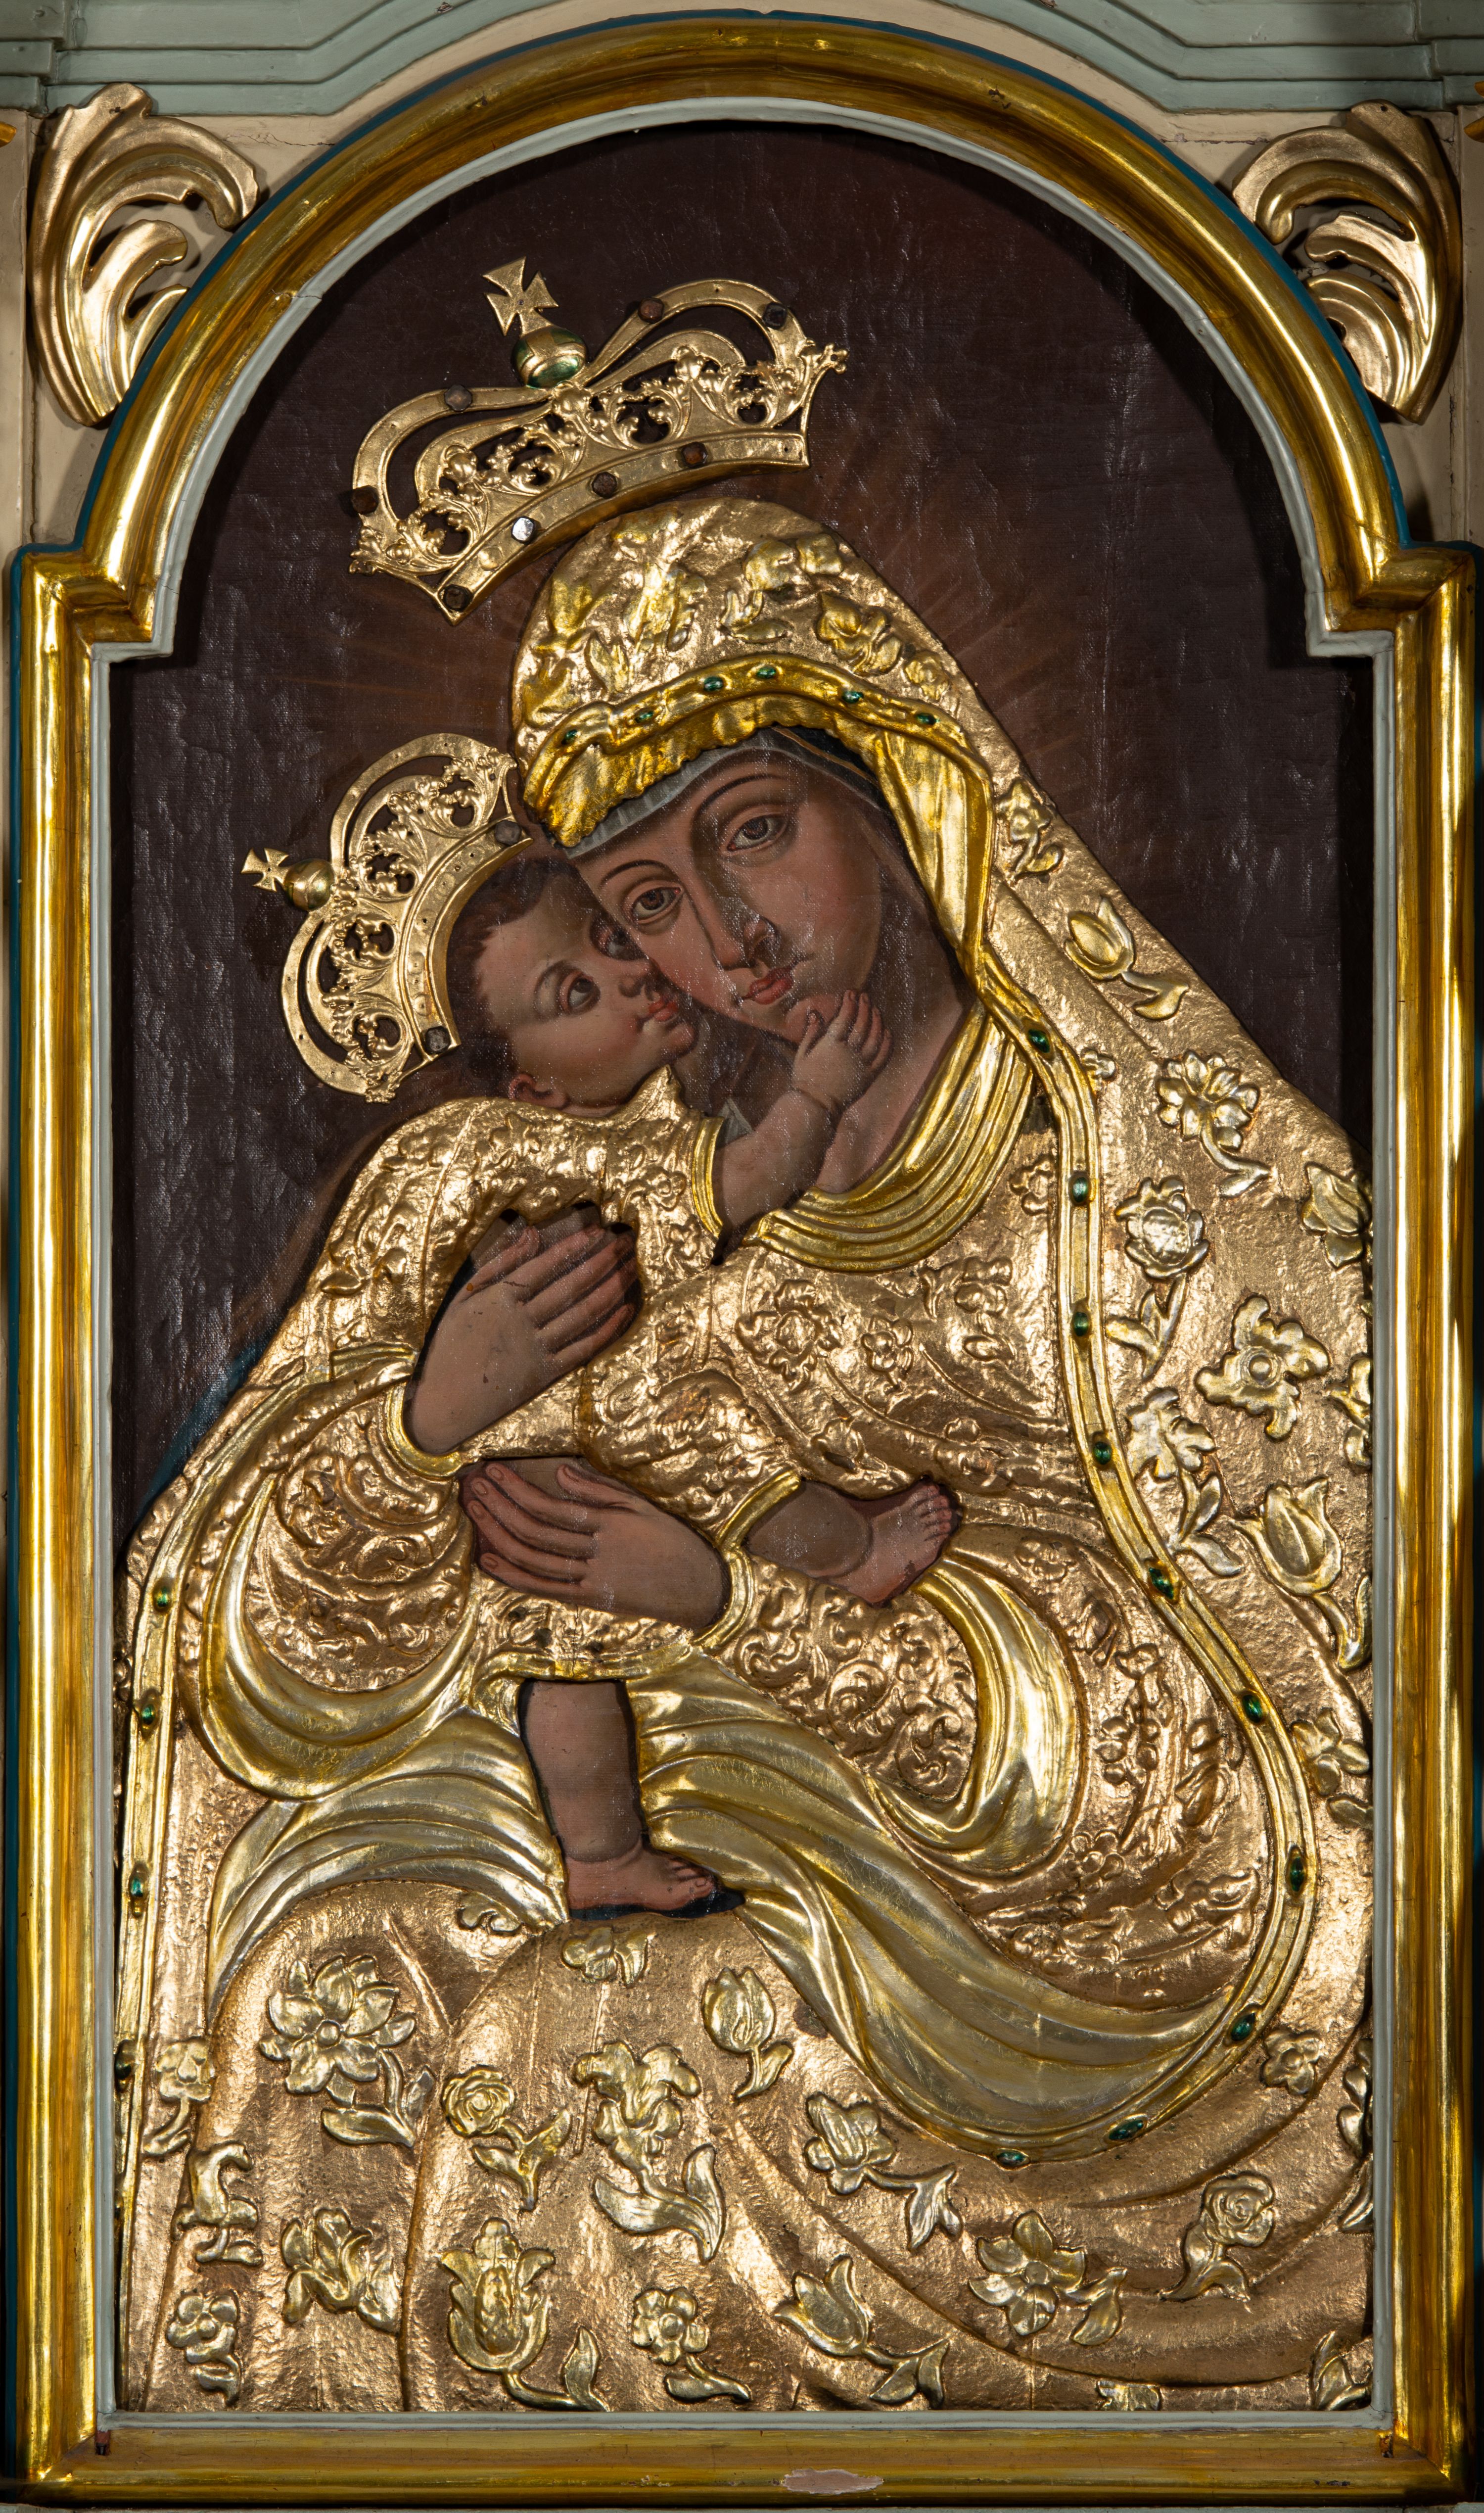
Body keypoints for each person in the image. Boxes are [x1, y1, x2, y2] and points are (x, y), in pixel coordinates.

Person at [406, 842, 955, 1912]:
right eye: (576, 994)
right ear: (535, 1088)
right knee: (758, 1495)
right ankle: (856, 1556)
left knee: (567, 1675)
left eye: (614, 940)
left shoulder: (538, 1155)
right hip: (641, 1427)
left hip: (533, 1480)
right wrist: (820, 1091)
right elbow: (750, 1179)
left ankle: (599, 1852)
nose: (629, 977)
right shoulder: (618, 1159)